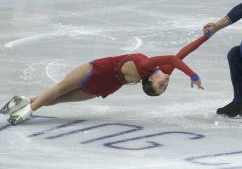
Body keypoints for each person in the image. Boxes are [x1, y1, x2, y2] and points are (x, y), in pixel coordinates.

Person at [1, 33, 212, 125]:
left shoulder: (152, 70)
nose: (165, 83)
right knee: (59, 89)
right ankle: (28, 109)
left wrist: (192, 75)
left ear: (149, 82)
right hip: (98, 70)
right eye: (163, 86)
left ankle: (24, 99)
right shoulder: (153, 67)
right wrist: (206, 36)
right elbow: (180, 55)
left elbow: (175, 58)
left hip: (107, 85)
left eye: (161, 87)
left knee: (59, 98)